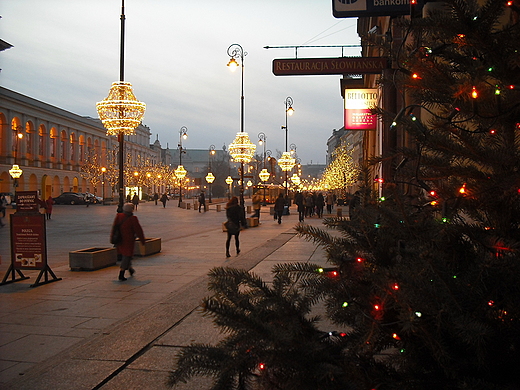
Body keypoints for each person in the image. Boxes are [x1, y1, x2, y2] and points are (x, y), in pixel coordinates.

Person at [111, 203, 146, 281]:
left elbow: (114, 227)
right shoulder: (133, 219)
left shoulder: (119, 216)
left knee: (126, 255)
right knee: (127, 255)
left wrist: (112, 238)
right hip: (128, 241)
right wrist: (142, 241)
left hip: (119, 240)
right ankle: (121, 273)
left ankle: (130, 269)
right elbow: (138, 230)